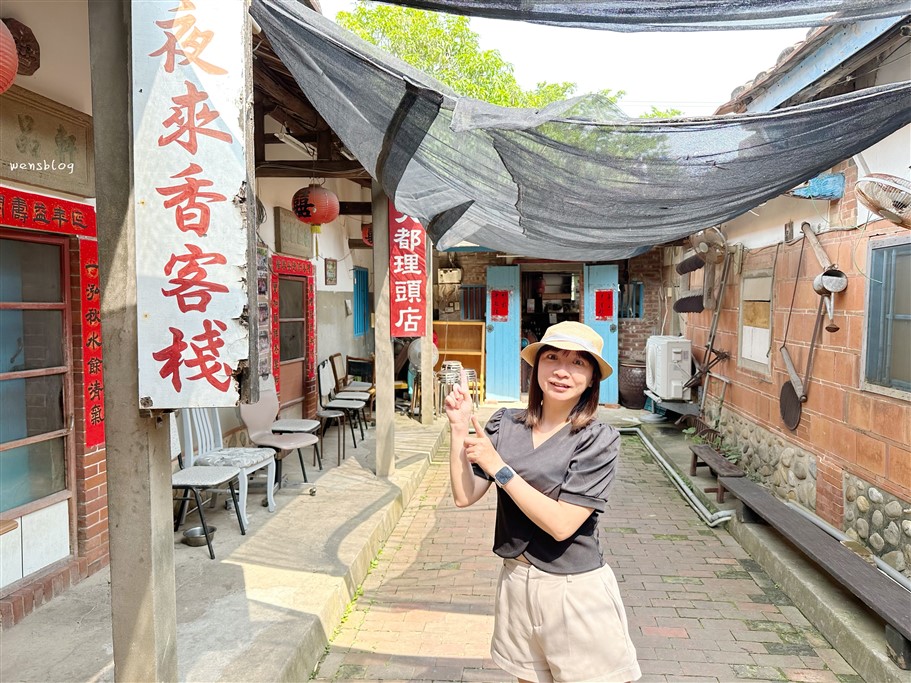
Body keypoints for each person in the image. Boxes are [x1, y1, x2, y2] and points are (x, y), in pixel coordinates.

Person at [444, 320, 641, 683]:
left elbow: (563, 524)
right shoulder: (506, 424)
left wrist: (498, 467)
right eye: (552, 358)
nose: (562, 371)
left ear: (592, 378)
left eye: (578, 362)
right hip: (517, 581)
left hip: (573, 590)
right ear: (537, 366)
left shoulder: (598, 440)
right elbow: (464, 494)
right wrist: (458, 430)